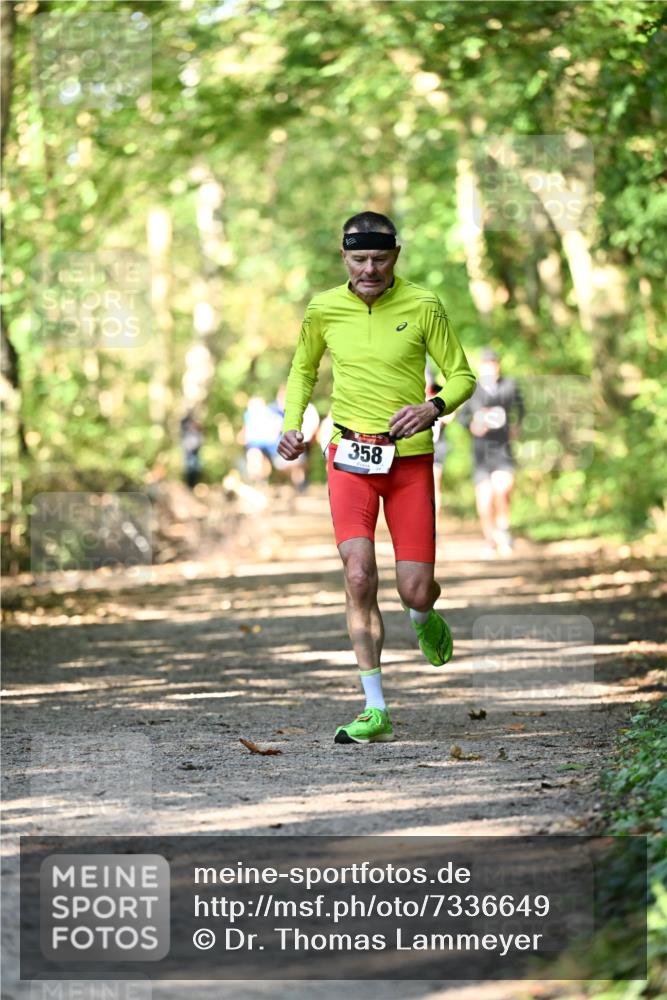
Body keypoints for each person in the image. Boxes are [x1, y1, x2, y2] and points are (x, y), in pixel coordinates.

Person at [277, 211, 476, 745]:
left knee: (414, 589)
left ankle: (424, 614)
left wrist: (432, 408)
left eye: (380, 259)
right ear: (343, 256)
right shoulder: (323, 308)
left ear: (396, 255)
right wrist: (292, 426)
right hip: (349, 458)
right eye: (359, 258)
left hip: (408, 462)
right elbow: (302, 369)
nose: (370, 269)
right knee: (359, 574)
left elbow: (462, 375)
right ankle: (375, 708)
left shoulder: (423, 304)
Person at [457, 347, 524, 557]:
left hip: (503, 447)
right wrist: (472, 427)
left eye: (494, 363)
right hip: (481, 452)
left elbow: (521, 408)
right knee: (485, 499)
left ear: (498, 365)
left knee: (503, 489)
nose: (491, 368)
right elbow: (461, 418)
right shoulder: (472, 389)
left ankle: (503, 529)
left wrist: (516, 426)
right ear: (481, 366)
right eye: (487, 364)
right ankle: (490, 539)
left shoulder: (509, 385)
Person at [179, 411, 203, 490]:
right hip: (189, 449)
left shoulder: (197, 429)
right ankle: (189, 486)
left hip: (195, 449)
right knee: (189, 467)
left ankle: (193, 485)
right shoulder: (185, 426)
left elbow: (200, 436)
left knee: (195, 468)